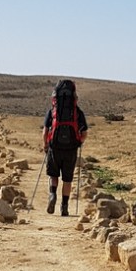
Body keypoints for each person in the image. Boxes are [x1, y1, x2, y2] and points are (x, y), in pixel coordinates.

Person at [41, 78, 88, 216]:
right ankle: (64, 207)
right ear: (75, 98)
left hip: (54, 147)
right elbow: (84, 133)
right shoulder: (78, 112)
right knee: (67, 179)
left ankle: (52, 194)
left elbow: (45, 131)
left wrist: (45, 145)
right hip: (71, 150)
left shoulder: (52, 111)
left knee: (53, 175)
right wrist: (79, 142)